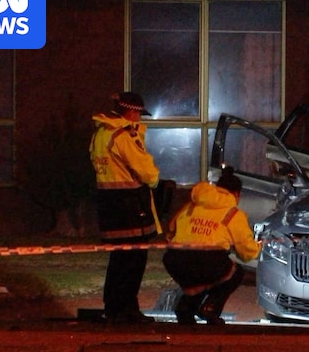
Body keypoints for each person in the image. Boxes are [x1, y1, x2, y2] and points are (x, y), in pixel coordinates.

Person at [89, 92, 161, 324]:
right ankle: (126, 310)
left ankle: (115, 307)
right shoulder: (123, 136)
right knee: (134, 261)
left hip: (108, 205)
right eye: (139, 114)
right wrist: (155, 181)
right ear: (131, 112)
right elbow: (146, 170)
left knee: (119, 260)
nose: (140, 119)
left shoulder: (101, 133)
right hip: (129, 206)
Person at [162, 166, 261, 325]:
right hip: (207, 261)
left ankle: (186, 307)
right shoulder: (233, 213)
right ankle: (210, 307)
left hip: (174, 259)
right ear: (237, 194)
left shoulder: (193, 205)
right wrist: (258, 247)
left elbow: (172, 229)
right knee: (232, 273)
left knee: (201, 275)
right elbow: (247, 252)